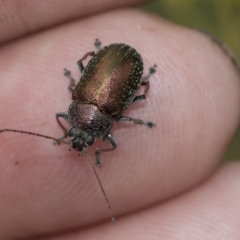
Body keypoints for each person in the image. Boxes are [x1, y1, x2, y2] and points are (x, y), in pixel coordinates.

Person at [0, 1, 240, 239]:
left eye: (71, 133)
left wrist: (71, 137)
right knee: (84, 70)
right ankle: (119, 66)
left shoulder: (90, 106)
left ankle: (131, 72)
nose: (77, 139)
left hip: (119, 59)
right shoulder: (83, 103)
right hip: (116, 62)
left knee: (115, 88)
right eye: (75, 134)